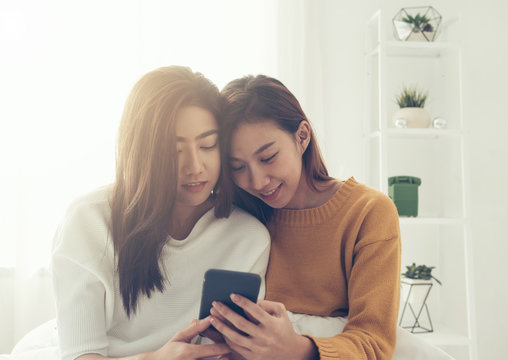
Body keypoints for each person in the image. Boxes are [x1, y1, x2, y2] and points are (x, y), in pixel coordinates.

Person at [50, 66, 270, 360]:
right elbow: (80, 354)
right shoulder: (89, 221)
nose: (195, 166)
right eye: (174, 150)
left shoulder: (248, 238)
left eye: (207, 145)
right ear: (142, 151)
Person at [209, 74, 402, 360]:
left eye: (268, 157)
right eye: (238, 167)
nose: (258, 181)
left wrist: (295, 349)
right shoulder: (239, 216)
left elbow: (374, 344)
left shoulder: (368, 213)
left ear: (302, 137)